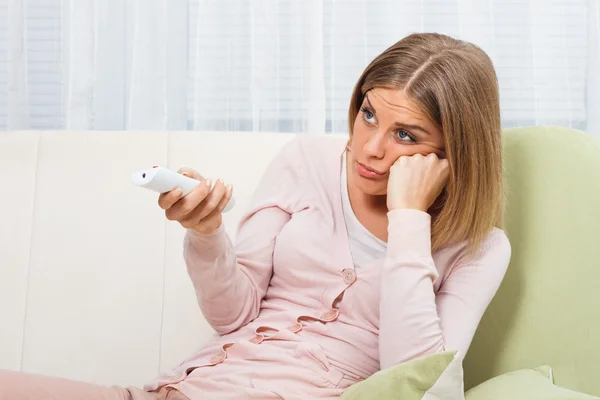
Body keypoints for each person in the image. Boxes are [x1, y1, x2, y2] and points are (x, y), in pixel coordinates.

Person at [0, 32, 511, 400]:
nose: (370, 147)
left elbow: (416, 376)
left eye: (406, 135)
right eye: (368, 113)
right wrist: (205, 234)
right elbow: (235, 315)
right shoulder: (306, 161)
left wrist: (408, 217)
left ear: (454, 152)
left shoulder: (477, 248)